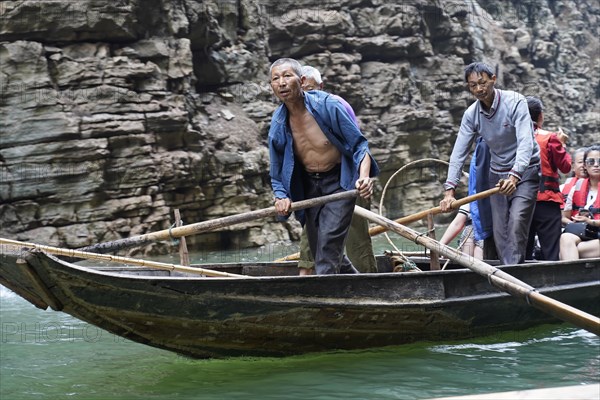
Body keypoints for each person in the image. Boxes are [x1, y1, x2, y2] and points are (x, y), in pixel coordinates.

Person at [268, 58, 379, 275]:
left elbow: (360, 145)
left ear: (301, 80)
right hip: (308, 185)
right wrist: (280, 196)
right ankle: (360, 288)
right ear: (271, 86)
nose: (281, 83)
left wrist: (364, 176)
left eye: (287, 76)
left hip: (339, 181)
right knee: (321, 247)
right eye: (275, 79)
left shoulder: (328, 105)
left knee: (327, 248)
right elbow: (276, 168)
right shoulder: (278, 123)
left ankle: (324, 304)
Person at [440, 61, 540, 265]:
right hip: (497, 175)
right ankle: (506, 274)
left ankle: (512, 277)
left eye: (482, 82)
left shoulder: (515, 102)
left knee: (516, 222)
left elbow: (526, 143)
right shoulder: (471, 114)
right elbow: (459, 152)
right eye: (473, 85)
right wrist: (449, 190)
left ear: (493, 79)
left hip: (526, 171)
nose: (479, 89)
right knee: (500, 230)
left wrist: (515, 175)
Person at [296, 65, 377, 274]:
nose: (309, 95)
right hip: (316, 186)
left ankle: (369, 285)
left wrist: (363, 178)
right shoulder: (293, 112)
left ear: (322, 87)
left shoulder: (335, 105)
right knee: (316, 241)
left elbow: (359, 146)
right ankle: (310, 280)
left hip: (349, 181)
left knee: (356, 237)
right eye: (305, 91)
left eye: (313, 89)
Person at [524, 96, 571, 261]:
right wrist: (562, 144)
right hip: (546, 200)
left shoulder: (511, 138)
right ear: (541, 116)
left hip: (520, 202)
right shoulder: (549, 138)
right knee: (550, 248)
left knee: (523, 248)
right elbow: (565, 167)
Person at [560, 144, 600, 260]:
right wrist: (576, 223)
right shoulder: (577, 187)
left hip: (595, 233)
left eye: (599, 161)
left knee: (570, 249)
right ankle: (572, 277)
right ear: (585, 165)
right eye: (591, 162)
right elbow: (564, 216)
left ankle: (571, 276)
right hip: (585, 232)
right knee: (565, 239)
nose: (596, 165)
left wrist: (590, 221)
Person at [561, 147, 588, 223]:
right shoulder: (562, 188)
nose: (584, 165)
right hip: (572, 227)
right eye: (580, 162)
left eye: (587, 162)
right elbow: (562, 216)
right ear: (572, 166)